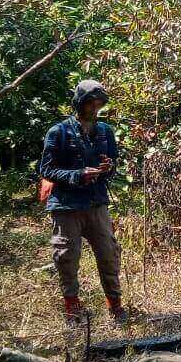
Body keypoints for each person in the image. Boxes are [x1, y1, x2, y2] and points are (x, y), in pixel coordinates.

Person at [38, 80, 126, 324]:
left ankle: (115, 304)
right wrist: (76, 175)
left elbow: (112, 165)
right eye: (90, 102)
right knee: (67, 257)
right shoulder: (59, 132)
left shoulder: (105, 131)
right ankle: (72, 306)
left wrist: (108, 168)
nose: (94, 107)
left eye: (98, 103)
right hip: (66, 206)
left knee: (109, 253)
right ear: (80, 102)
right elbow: (46, 169)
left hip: (96, 203)